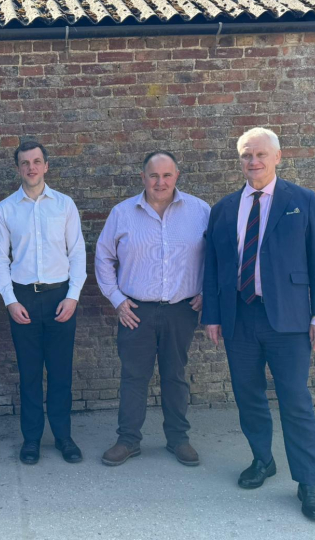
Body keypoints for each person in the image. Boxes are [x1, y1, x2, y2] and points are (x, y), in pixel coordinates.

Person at [201, 127, 315, 521]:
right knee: (248, 395)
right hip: (239, 317)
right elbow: (213, 265)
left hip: (289, 319)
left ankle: (308, 482)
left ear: (278, 157)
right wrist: (211, 314)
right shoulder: (224, 208)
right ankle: (262, 460)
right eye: (246, 155)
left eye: (260, 155)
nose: (253, 162)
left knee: (295, 401)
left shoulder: (302, 201)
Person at [95, 151, 209, 468]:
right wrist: (117, 299)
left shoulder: (200, 212)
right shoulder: (122, 213)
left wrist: (207, 292)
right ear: (142, 177)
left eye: (167, 175)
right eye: (154, 175)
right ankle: (128, 440)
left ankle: (178, 439)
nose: (160, 182)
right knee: (134, 377)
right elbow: (103, 256)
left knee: (175, 375)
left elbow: (218, 255)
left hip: (181, 310)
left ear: (177, 176)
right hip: (136, 311)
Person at [0, 141, 87, 465]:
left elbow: (77, 254)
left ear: (46, 166)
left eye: (36, 162)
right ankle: (31, 439)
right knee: (29, 374)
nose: (31, 167)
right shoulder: (6, 209)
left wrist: (73, 296)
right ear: (17, 168)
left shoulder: (64, 205)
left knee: (60, 373)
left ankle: (63, 437)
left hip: (61, 297)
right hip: (23, 300)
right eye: (24, 163)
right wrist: (9, 301)